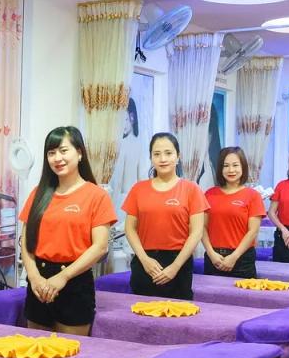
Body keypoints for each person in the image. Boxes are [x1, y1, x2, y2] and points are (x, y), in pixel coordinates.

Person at [20, 126, 116, 335]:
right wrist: (34, 277)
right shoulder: (38, 193)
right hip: (39, 284)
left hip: (75, 282)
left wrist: (63, 277)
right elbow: (25, 241)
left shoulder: (97, 196)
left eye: (64, 151)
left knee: (70, 351)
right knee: (35, 349)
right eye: (51, 152)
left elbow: (100, 247)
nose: (57, 158)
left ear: (79, 153)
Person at [122, 132, 207, 299]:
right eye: (157, 154)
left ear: (178, 156)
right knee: (141, 311)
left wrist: (175, 266)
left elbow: (197, 232)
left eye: (168, 153)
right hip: (145, 262)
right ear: (151, 158)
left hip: (178, 262)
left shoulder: (191, 189)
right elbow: (130, 228)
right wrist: (144, 260)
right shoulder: (138, 189)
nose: (163, 159)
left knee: (178, 312)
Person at [202, 146, 266, 279]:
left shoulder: (253, 196)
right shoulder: (209, 194)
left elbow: (253, 232)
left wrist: (234, 257)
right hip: (214, 258)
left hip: (242, 259)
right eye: (226, 166)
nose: (231, 170)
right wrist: (211, 253)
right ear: (221, 169)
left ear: (243, 167)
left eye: (235, 165)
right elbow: (202, 227)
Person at [109, 97, 143, 206]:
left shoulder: (121, 144)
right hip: (136, 201)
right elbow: (142, 179)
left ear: (132, 118)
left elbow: (118, 182)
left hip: (120, 201)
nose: (121, 125)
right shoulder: (140, 144)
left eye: (124, 119)